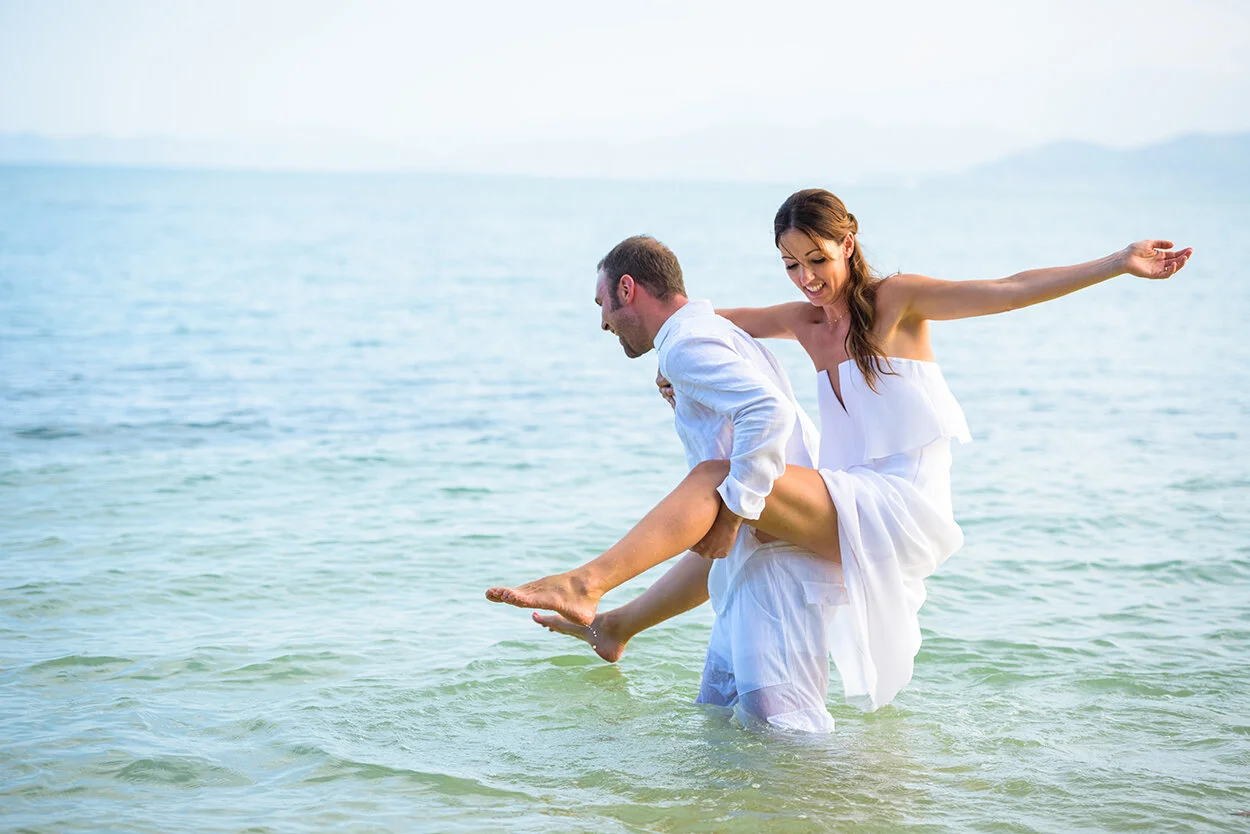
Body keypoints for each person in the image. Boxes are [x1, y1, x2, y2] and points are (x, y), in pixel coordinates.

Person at [488, 188, 1193, 726]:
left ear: (848, 243)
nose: (807, 280)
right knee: (741, 524)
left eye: (817, 260)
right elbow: (701, 321)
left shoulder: (896, 301)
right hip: (847, 486)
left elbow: (1009, 288)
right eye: (792, 266)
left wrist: (1117, 263)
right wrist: (677, 367)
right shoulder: (805, 320)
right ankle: (616, 626)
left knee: (724, 485)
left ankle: (590, 586)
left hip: (901, 503)